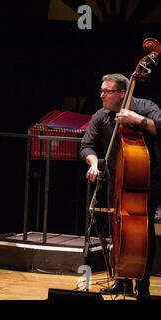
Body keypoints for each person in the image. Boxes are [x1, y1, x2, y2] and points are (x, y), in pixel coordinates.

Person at [80, 73, 161, 300]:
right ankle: (122, 281)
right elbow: (86, 145)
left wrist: (137, 119)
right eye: (101, 91)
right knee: (116, 231)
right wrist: (94, 162)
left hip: (146, 179)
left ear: (122, 93)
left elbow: (160, 127)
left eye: (107, 91)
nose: (102, 95)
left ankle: (142, 286)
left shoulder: (145, 107)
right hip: (116, 180)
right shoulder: (102, 115)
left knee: (143, 234)